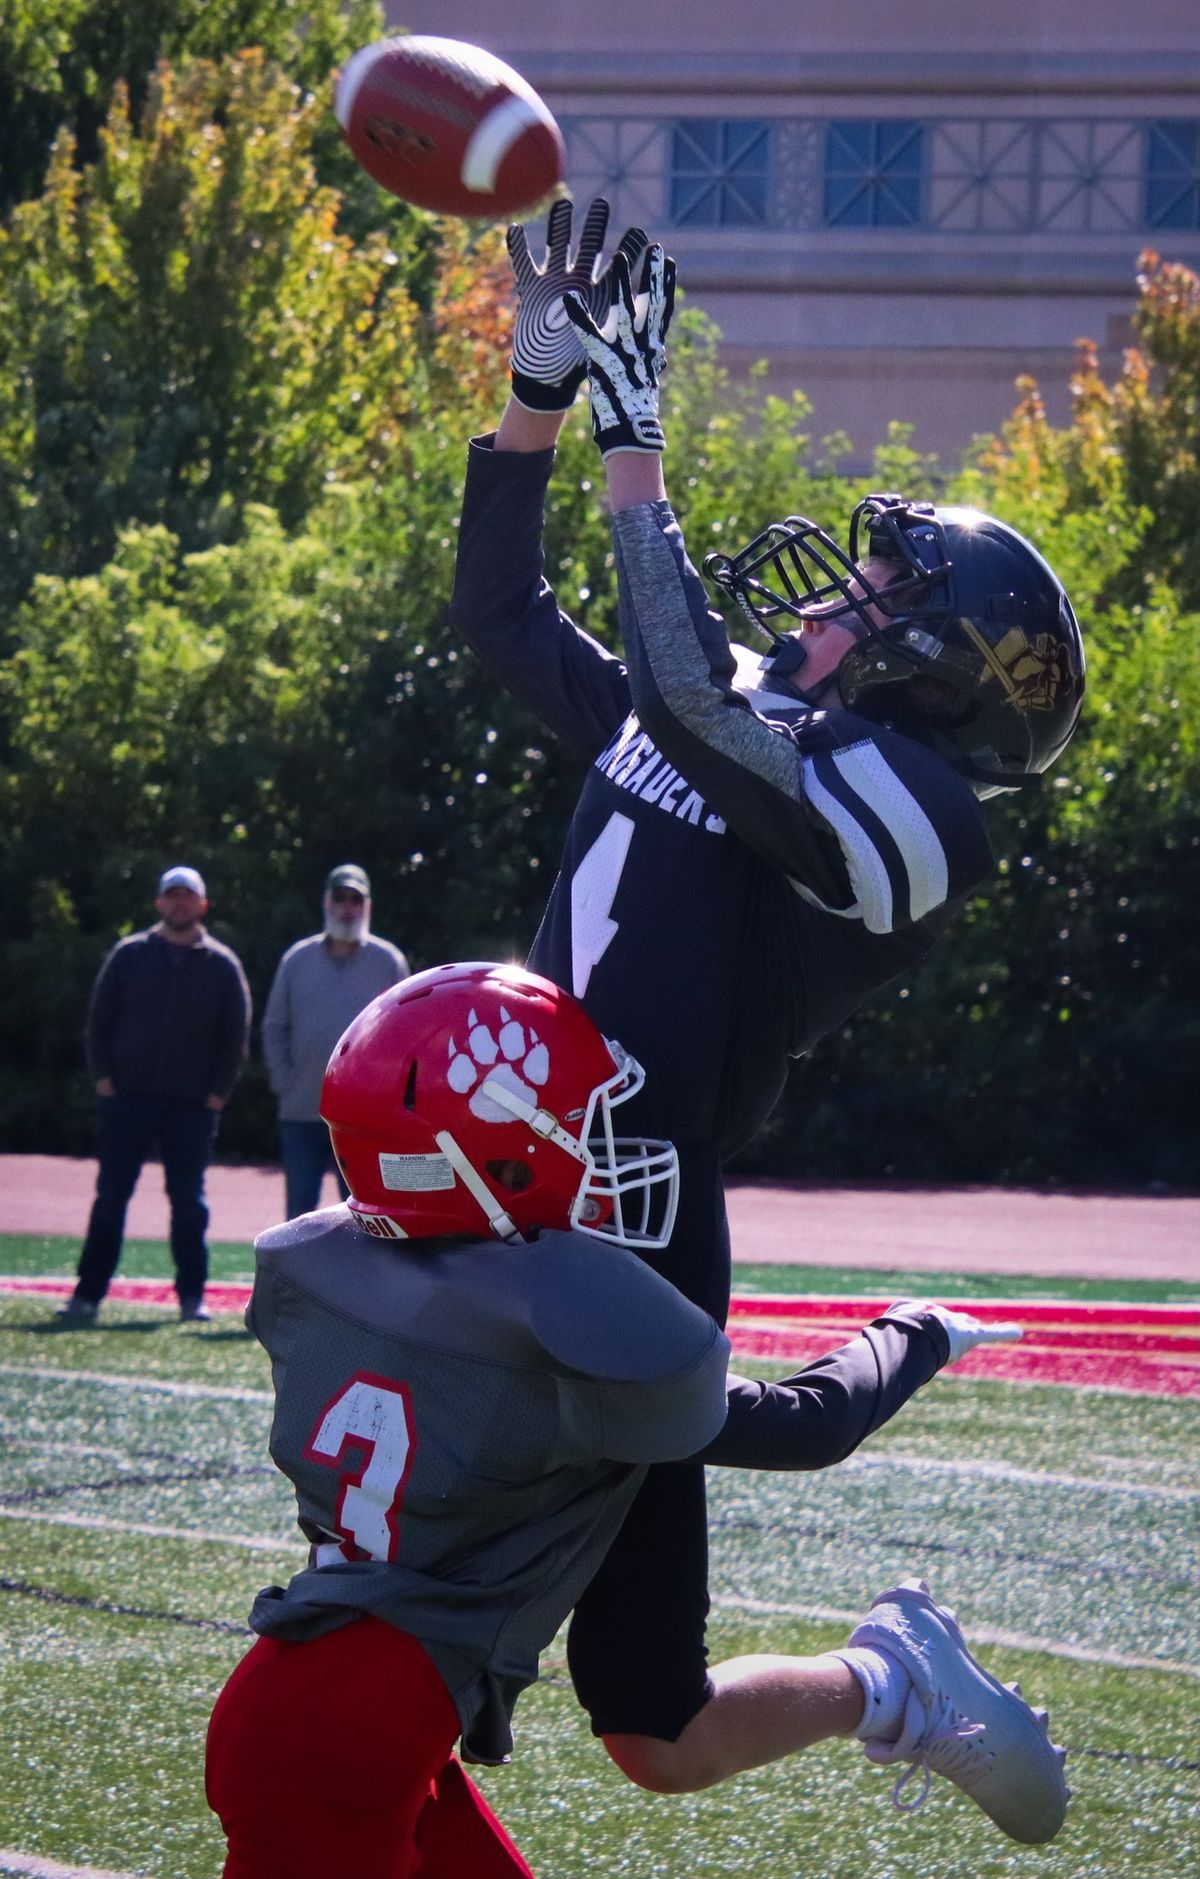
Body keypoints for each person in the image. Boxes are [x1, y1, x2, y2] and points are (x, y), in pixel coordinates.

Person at [448, 201, 1085, 1799]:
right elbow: (501, 611)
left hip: (641, 1200)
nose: (831, 589)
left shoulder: (923, 810)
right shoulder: (725, 708)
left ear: (935, 666)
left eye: (877, 587)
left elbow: (691, 699)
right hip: (509, 1170)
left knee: (649, 1720)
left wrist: (638, 429)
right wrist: (539, 379)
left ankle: (885, 1667)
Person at [204, 963, 1066, 1879]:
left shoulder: (318, 1270)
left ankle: (891, 1683)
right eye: (575, 1125)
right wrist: (917, 1334)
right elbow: (804, 1424)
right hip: (347, 1746)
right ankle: (894, 1681)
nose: (596, 1147)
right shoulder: (555, 1326)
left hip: (328, 1719)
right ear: (485, 1154)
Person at [56, 865, 251, 1326]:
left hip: (192, 1108)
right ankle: (87, 1295)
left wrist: (217, 1095)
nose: (179, 904)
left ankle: (191, 1298)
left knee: (189, 1204)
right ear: (158, 903)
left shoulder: (222, 966)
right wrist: (104, 1082)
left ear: (202, 905)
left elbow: (235, 1036)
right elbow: (99, 1024)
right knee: (110, 1199)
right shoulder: (128, 956)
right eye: (172, 896)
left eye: (188, 897)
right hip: (127, 1102)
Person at [262, 863, 409, 1218]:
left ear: (367, 906)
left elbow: (406, 1035)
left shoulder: (388, 962)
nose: (347, 907)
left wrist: (388, 1095)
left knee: (367, 1210)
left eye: (355, 899)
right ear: (326, 902)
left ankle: (362, 1277)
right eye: (340, 898)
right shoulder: (296, 960)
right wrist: (285, 1080)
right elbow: (273, 1026)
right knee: (299, 1211)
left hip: (365, 1116)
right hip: (302, 1111)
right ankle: (298, 1277)